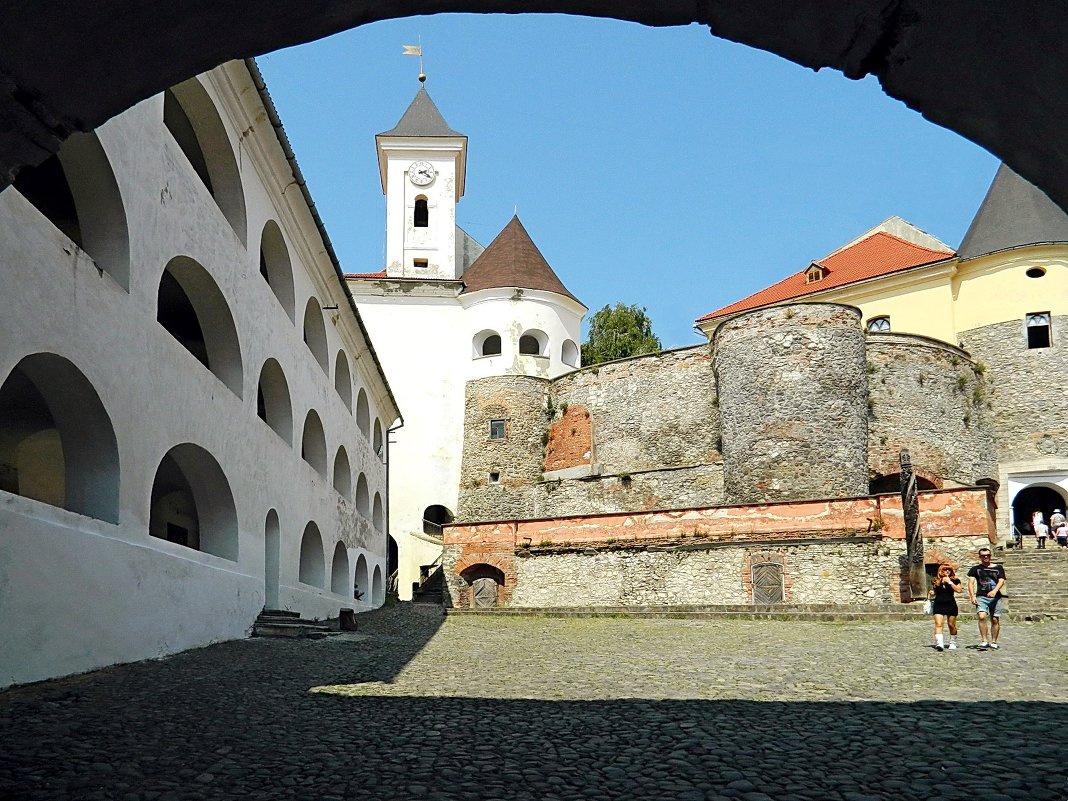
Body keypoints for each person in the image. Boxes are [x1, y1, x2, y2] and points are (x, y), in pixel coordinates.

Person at [967, 548, 1006, 650]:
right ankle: (984, 640)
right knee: (982, 616)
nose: (986, 557)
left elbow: (1001, 581)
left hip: (996, 598)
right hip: (981, 596)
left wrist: (994, 591)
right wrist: (972, 596)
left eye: (987, 555)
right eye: (983, 555)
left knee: (994, 619)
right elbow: (970, 583)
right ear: (980, 557)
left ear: (990, 556)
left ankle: (993, 641)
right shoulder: (975, 569)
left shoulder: (998, 568)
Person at [928, 563, 963, 651]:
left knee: (951, 625)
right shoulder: (936, 581)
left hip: (950, 604)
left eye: (949, 569)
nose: (947, 571)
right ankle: (940, 644)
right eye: (944, 569)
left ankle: (953, 642)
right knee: (938, 624)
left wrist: (949, 582)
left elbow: (959, 590)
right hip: (939, 604)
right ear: (940, 571)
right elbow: (936, 591)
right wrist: (932, 592)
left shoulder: (955, 580)